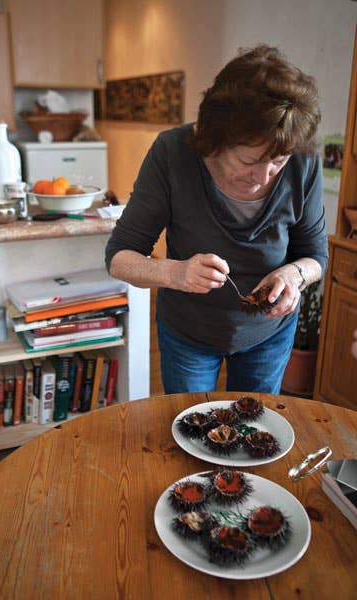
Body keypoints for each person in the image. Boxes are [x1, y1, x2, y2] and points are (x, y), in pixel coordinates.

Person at [105, 44, 328, 395]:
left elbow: (316, 256)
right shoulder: (173, 152)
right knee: (191, 431)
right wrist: (175, 273)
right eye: (249, 161)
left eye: (278, 161)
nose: (265, 176)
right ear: (216, 137)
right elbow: (119, 259)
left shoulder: (302, 162)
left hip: (269, 335)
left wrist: (295, 274)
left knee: (254, 433)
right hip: (189, 334)